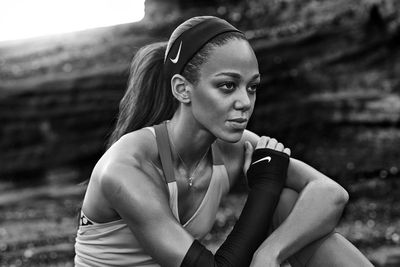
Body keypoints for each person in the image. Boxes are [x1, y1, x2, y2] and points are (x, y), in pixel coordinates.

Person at [74, 16, 373, 267]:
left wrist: (272, 251)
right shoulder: (126, 168)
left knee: (289, 205)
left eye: (252, 87)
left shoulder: (232, 148)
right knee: (275, 196)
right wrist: (264, 189)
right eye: (227, 86)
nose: (245, 102)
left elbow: (331, 193)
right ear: (182, 89)